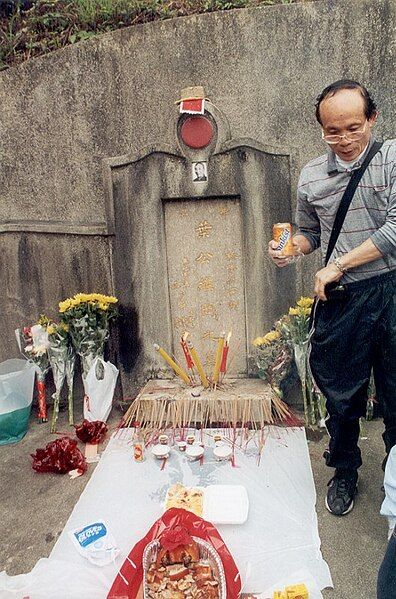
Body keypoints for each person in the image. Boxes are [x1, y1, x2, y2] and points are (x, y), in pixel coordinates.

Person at [268, 80, 396, 516]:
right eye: (332, 131)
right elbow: (312, 234)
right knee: (342, 396)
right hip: (343, 302)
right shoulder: (311, 176)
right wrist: (292, 250)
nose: (343, 139)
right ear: (320, 128)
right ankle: (344, 470)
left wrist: (339, 264)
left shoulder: (392, 158)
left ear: (372, 119)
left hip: (391, 290)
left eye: (353, 127)